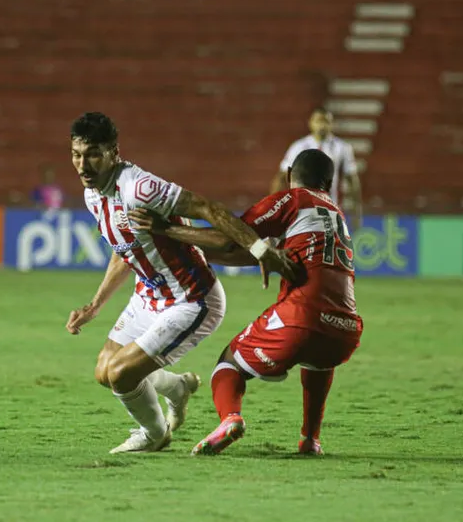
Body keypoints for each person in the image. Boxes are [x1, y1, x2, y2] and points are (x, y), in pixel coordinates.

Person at [64, 112, 301, 454]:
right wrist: (95, 304)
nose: (83, 164)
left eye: (93, 154)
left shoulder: (139, 188)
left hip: (192, 299)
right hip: (149, 295)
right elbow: (124, 249)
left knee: (121, 375)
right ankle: (177, 388)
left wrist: (260, 249)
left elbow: (208, 207)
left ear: (114, 152)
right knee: (104, 371)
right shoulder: (93, 194)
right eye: (76, 155)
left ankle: (154, 434)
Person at [130, 149, 363, 456]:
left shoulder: (292, 200)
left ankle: (230, 419)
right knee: (320, 361)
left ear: (291, 172)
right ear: (330, 182)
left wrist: (166, 230)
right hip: (346, 330)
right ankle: (310, 440)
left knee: (229, 362)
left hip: (301, 318)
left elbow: (233, 239)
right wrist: (202, 253)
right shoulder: (336, 216)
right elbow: (248, 253)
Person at [270, 107, 363, 229]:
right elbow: (281, 178)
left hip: (331, 210)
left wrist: (357, 212)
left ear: (332, 124)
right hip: (302, 211)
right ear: (310, 123)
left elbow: (352, 180)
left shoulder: (342, 147)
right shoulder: (298, 146)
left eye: (326, 121)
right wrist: (274, 209)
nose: (322, 125)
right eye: (318, 121)